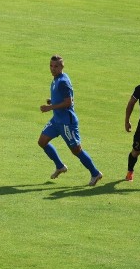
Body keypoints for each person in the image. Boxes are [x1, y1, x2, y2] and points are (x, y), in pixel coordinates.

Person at [38, 55, 103, 186]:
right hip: (56, 120)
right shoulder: (55, 79)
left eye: (56, 66)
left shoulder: (63, 81)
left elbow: (68, 103)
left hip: (67, 123)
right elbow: (63, 99)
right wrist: (53, 102)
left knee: (76, 150)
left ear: (62, 67)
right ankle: (60, 166)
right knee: (42, 141)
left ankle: (95, 173)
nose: (53, 69)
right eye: (51, 66)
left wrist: (50, 107)